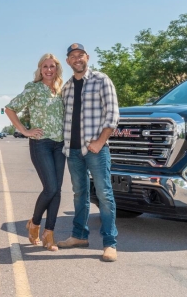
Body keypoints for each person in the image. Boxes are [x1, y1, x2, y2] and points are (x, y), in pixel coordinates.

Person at [57, 43, 119, 262]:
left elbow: (112, 115)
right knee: (79, 194)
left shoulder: (102, 80)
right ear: (68, 61)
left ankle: (110, 243)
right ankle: (79, 235)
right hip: (72, 150)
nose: (77, 58)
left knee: (104, 194)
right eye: (72, 56)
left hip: (96, 149)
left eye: (80, 55)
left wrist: (100, 141)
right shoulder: (66, 87)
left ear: (87, 57)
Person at [5, 53, 65, 251]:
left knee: (57, 191)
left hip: (60, 144)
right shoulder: (34, 88)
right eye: (45, 66)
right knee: (50, 188)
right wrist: (25, 131)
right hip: (41, 143)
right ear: (40, 69)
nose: (49, 69)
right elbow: (10, 108)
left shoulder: (61, 90)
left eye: (52, 66)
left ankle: (49, 235)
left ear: (57, 69)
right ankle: (34, 224)